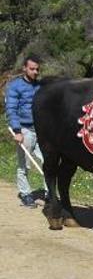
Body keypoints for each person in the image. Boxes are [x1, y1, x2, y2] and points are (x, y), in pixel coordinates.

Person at [4, 55, 44, 207]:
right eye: (32, 69)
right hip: (24, 129)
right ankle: (26, 194)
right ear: (24, 68)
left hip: (41, 130)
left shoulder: (40, 86)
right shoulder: (15, 86)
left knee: (48, 162)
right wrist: (17, 131)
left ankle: (49, 193)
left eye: (37, 69)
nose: (35, 72)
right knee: (24, 165)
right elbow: (11, 109)